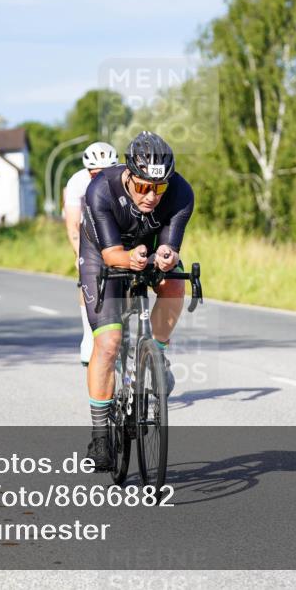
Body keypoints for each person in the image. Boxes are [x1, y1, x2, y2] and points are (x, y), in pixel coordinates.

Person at [78, 131, 194, 470]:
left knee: (175, 284)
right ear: (128, 175)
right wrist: (129, 259)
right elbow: (113, 253)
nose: (152, 196)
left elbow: (171, 245)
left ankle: (156, 357)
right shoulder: (100, 190)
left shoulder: (181, 192)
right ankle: (100, 435)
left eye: (159, 188)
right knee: (110, 342)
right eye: (144, 187)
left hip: (146, 248)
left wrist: (168, 257)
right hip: (103, 253)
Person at [63, 141, 119, 367]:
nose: (100, 177)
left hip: (117, 229)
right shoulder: (77, 182)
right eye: (95, 173)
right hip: (88, 232)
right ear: (87, 171)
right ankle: (89, 333)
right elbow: (73, 225)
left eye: (106, 173)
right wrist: (78, 255)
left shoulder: (123, 177)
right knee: (86, 275)